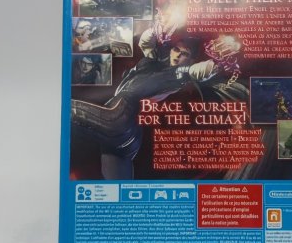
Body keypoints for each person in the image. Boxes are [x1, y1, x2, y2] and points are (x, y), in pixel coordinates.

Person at [71, 22, 247, 179]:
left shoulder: (183, 74)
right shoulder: (152, 60)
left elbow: (201, 71)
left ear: (190, 59)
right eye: (176, 49)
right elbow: (145, 42)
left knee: (67, 112)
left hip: (120, 116)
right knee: (118, 191)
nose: (177, 55)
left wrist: (217, 64)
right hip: (128, 137)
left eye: (184, 54)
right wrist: (158, 27)